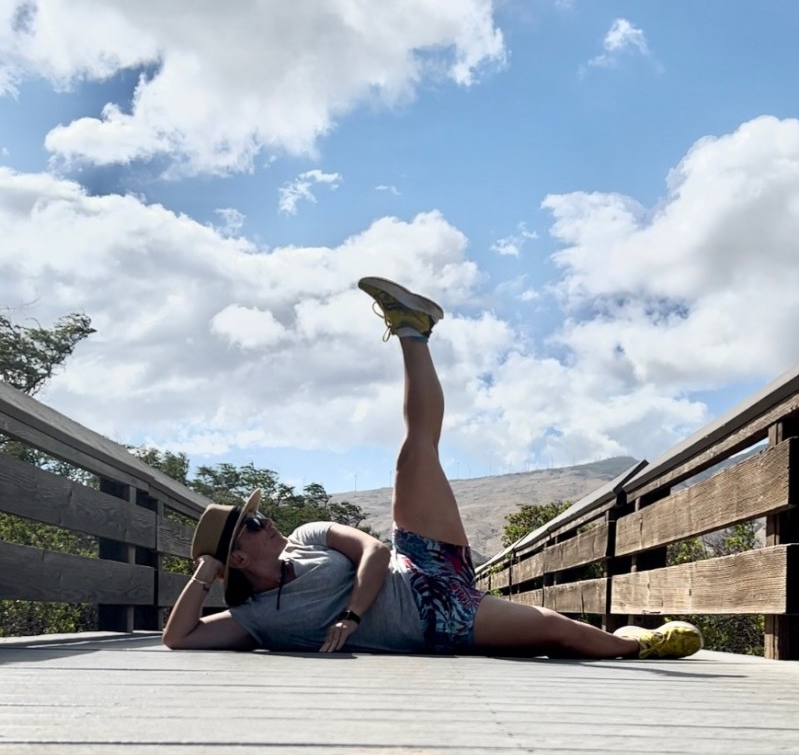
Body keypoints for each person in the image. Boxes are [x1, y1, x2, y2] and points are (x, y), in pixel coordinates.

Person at [162, 277, 702, 661]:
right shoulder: (260, 618)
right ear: (236, 555)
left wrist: (351, 616)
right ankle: (637, 644)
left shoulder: (307, 537)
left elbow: (374, 551)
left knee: (414, 453)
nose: (267, 521)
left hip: (418, 559)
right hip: (439, 618)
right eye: (253, 525)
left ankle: (412, 330)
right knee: (555, 635)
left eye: (259, 515)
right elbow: (178, 639)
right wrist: (206, 573)